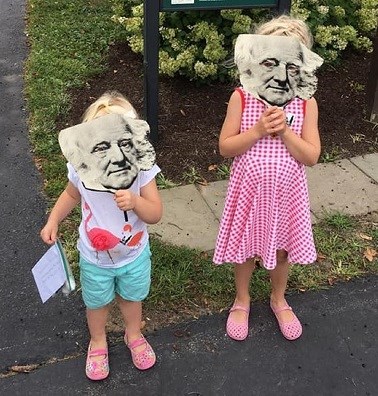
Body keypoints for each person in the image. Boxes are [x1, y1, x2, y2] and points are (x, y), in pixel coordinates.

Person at [213, 15, 322, 342]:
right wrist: (258, 130)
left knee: (283, 250)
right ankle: (242, 299)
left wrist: (285, 131)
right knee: (246, 248)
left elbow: (312, 156)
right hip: (249, 192)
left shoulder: (306, 103)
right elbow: (225, 146)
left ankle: (278, 298)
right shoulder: (242, 98)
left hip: (287, 195)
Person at [40, 91, 163, 380]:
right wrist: (54, 219)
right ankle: (97, 341)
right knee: (96, 302)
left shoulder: (142, 170)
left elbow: (155, 212)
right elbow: (71, 194)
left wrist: (135, 202)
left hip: (133, 255)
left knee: (132, 299)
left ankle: (133, 334)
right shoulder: (81, 171)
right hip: (95, 258)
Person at [58, 99, 156, 192]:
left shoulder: (143, 173)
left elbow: (154, 209)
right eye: (101, 148)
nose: (119, 158)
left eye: (125, 144)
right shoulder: (78, 171)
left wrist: (135, 202)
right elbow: (71, 195)